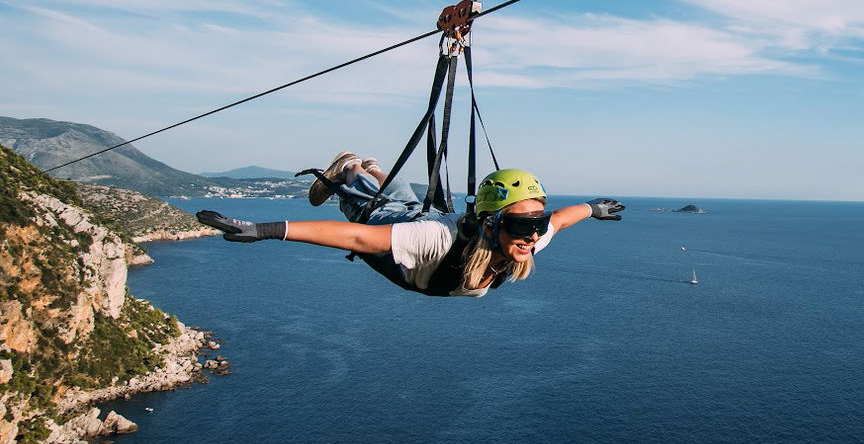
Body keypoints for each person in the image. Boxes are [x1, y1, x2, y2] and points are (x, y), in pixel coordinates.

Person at [196, 150, 624, 297]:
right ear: (491, 224)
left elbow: (561, 222)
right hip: (419, 241)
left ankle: (371, 167)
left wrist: (592, 208)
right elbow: (360, 237)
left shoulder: (523, 238)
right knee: (370, 208)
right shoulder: (436, 239)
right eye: (523, 224)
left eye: (537, 222)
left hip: (432, 226)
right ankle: (350, 169)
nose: (534, 233)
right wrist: (264, 230)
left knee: (409, 203)